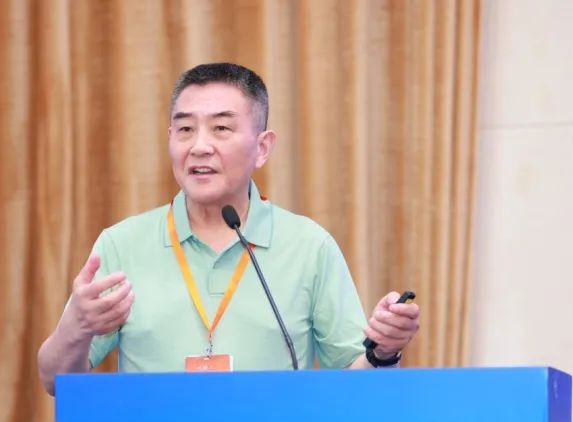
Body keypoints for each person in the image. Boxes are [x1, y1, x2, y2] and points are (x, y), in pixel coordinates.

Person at [37, 62, 420, 395]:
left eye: (221, 128)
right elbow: (55, 381)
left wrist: (382, 352)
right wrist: (77, 327)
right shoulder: (122, 245)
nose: (199, 146)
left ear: (263, 147)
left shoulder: (309, 246)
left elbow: (355, 384)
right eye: (185, 129)